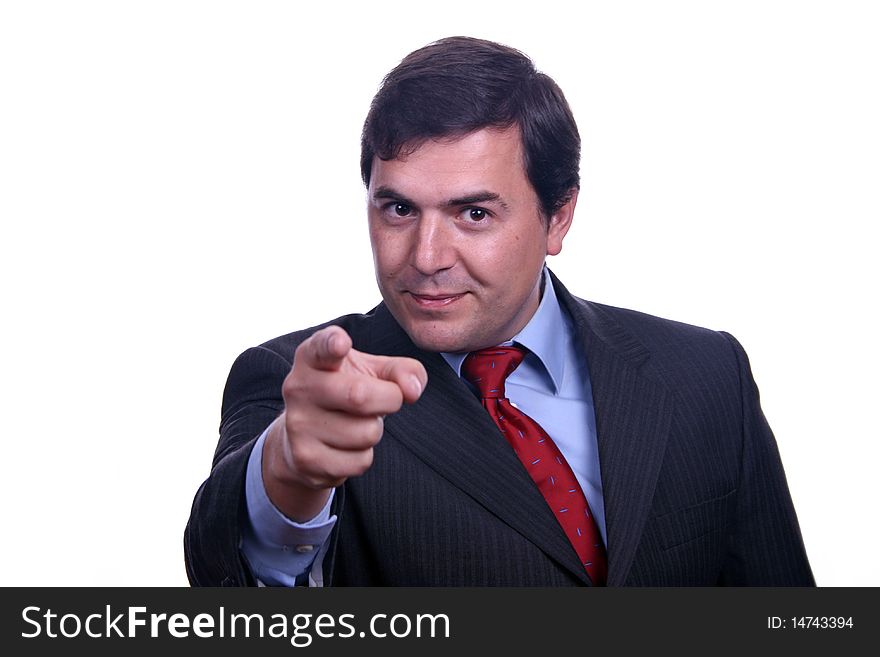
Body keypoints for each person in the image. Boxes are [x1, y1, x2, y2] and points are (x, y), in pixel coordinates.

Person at [184, 36, 813, 587]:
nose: (426, 257)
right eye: (398, 209)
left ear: (558, 216)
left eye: (473, 214)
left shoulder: (706, 374)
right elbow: (233, 574)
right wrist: (287, 477)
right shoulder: (309, 384)